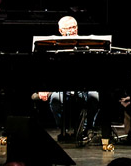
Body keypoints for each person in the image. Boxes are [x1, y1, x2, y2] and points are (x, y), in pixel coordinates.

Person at [36, 16, 107, 149]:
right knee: (56, 99)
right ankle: (65, 129)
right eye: (68, 28)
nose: (72, 30)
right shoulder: (51, 46)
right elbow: (46, 71)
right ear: (61, 31)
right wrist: (44, 88)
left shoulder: (87, 45)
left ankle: (86, 130)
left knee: (94, 97)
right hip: (59, 86)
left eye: (74, 27)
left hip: (84, 85)